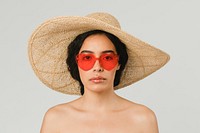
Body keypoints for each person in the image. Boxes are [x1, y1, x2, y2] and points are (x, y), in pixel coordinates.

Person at [28, 12, 170, 133]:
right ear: (76, 63)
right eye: (87, 58)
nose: (97, 67)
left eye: (107, 58)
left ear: (119, 62)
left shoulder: (143, 118)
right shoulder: (56, 118)